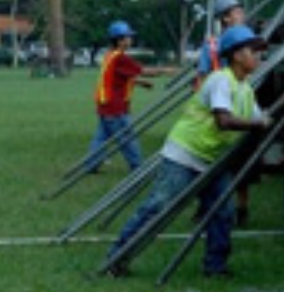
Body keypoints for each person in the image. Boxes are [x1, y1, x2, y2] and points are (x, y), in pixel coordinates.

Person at [106, 25, 270, 278]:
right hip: (185, 154)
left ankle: (215, 267)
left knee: (222, 212)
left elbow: (258, 120)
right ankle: (117, 259)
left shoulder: (246, 89)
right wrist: (259, 124)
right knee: (158, 207)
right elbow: (224, 121)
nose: (258, 57)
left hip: (212, 159)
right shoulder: (220, 80)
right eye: (252, 51)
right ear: (237, 55)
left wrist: (267, 122)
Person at [195, 0, 256, 226]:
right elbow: (202, 77)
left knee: (241, 162)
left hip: (239, 105)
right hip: (218, 109)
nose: (242, 15)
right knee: (210, 162)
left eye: (241, 11)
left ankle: (242, 208)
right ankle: (207, 205)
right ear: (225, 18)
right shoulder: (212, 45)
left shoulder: (248, 39)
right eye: (236, 12)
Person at [86, 21, 171, 173]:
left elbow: (118, 77)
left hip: (105, 104)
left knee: (101, 138)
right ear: (120, 40)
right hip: (115, 106)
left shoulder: (110, 55)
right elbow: (143, 70)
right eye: (128, 37)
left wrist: (139, 82)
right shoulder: (120, 58)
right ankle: (137, 167)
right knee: (127, 137)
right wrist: (165, 70)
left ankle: (91, 165)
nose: (131, 40)